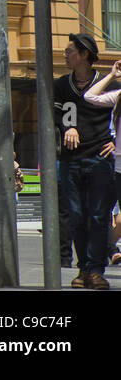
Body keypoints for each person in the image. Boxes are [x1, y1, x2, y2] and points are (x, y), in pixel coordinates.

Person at [54, 32, 117, 290]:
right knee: (77, 216)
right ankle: (83, 269)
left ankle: (95, 270)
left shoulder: (108, 84)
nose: (65, 55)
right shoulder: (60, 85)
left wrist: (116, 142)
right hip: (71, 160)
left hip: (100, 158)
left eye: (70, 51)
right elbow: (55, 114)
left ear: (84, 55)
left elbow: (118, 115)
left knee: (99, 216)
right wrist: (67, 128)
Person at [82, 59, 121, 268]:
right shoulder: (119, 96)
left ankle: (111, 249)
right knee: (105, 211)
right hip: (118, 167)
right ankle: (110, 250)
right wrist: (112, 76)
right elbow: (89, 96)